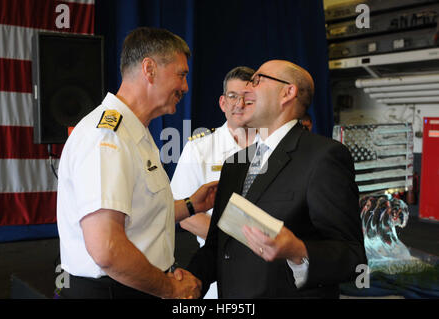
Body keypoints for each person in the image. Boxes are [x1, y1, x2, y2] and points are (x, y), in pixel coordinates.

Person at [56, 27, 217, 299]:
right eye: (181, 74)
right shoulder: (107, 137)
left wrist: (192, 205)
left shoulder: (134, 132)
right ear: (149, 69)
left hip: (134, 285)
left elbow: (138, 214)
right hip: (114, 291)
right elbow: (106, 247)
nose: (185, 87)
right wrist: (170, 288)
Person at [185, 60, 367, 298]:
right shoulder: (234, 165)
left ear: (287, 92)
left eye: (257, 80)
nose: (247, 90)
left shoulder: (324, 157)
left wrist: (299, 251)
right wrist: (191, 279)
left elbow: (352, 257)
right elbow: (219, 244)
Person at [170, 66, 256, 298]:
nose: (240, 104)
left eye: (248, 98)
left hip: (270, 269)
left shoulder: (275, 147)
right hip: (219, 271)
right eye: (233, 96)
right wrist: (240, 240)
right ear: (222, 103)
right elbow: (183, 213)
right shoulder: (199, 148)